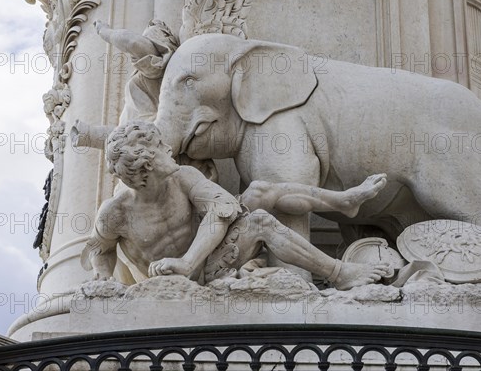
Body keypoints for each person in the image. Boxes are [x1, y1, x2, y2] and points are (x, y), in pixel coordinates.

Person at [81, 121, 391, 290]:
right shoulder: (115, 213)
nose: (169, 148)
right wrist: (102, 278)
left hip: (206, 259)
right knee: (260, 221)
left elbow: (223, 207)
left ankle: (343, 201)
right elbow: (98, 248)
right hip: (181, 282)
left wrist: (188, 260)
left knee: (257, 193)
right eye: (160, 148)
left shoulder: (182, 177)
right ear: (146, 167)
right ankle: (340, 274)